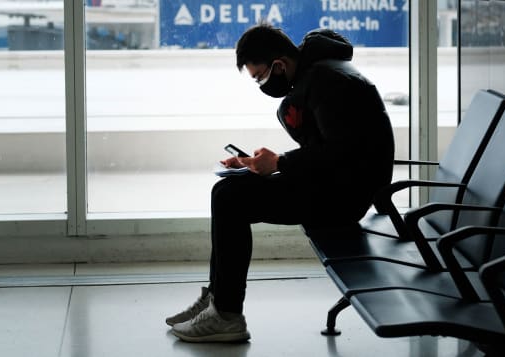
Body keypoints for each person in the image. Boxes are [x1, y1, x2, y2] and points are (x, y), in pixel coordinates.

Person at [166, 24, 395, 343]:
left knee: (230, 198)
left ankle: (226, 314)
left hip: (344, 198)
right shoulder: (321, 74)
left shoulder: (328, 82)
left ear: (279, 65)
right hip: (338, 185)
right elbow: (329, 149)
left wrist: (280, 162)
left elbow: (342, 153)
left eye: (259, 76)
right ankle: (218, 300)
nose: (261, 84)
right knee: (227, 190)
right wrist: (261, 163)